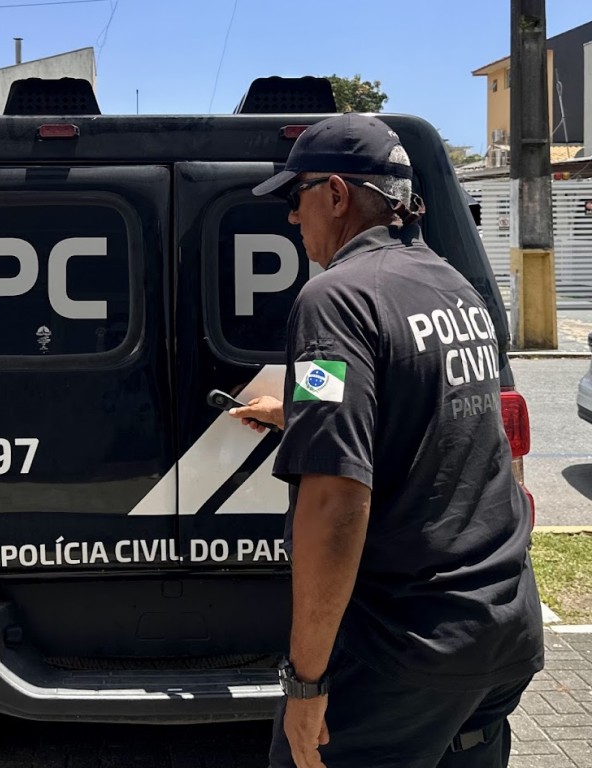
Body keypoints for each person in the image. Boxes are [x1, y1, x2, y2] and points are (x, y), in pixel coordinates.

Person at [228, 113, 543, 768]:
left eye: (296, 197)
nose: (293, 217)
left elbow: (336, 502)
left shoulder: (333, 299)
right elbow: (422, 417)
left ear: (336, 193)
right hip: (502, 628)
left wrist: (306, 682)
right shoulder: (454, 287)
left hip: (405, 648)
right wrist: (294, 413)